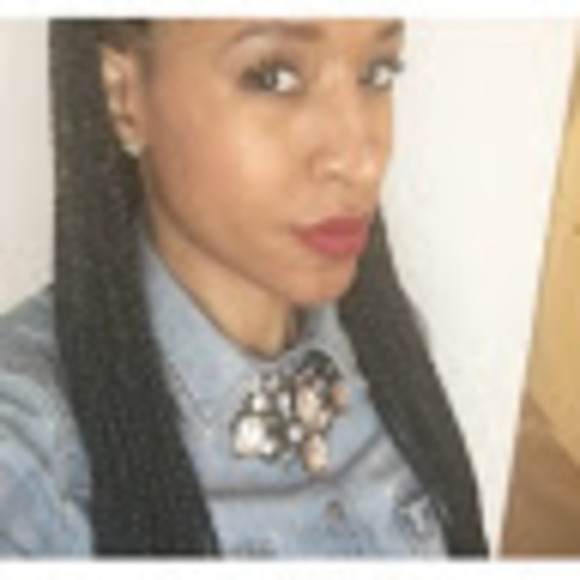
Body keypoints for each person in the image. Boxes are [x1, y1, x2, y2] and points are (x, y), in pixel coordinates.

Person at [0, 19, 487, 556]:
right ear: (123, 97)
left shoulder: (386, 347)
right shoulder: (33, 455)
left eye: (377, 72)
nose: (362, 161)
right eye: (273, 76)